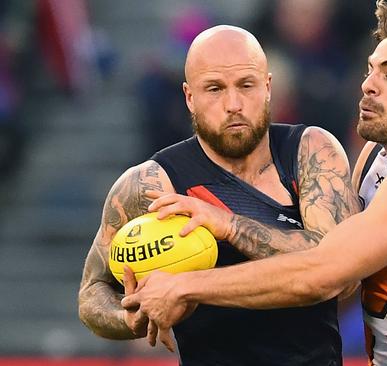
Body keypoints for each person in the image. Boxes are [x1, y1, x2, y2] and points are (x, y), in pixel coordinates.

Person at [124, 1, 387, 365]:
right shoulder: (377, 156)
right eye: (371, 69)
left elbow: (321, 275)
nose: (368, 85)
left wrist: (185, 284)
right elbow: (342, 279)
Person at [78, 25, 360, 366]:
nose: (233, 104)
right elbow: (93, 292)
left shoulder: (311, 153)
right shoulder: (152, 183)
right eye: (214, 89)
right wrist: (133, 318)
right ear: (189, 97)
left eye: (246, 85)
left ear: (268, 87)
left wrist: (227, 226)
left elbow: (340, 276)